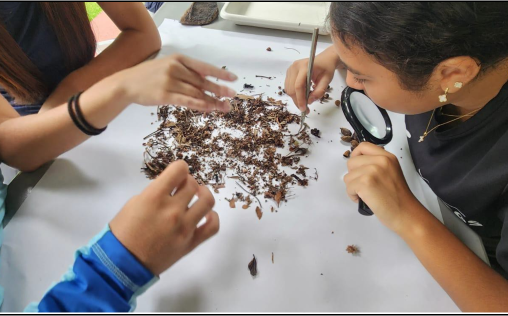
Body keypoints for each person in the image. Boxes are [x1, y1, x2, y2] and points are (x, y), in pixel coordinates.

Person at [285, 2, 508, 313]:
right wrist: (340, 52)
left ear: (452, 74)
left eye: (361, 77)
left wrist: (407, 215)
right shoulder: (453, 61)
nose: (350, 81)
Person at [0, 2, 160, 115]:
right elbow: (19, 151)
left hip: (88, 90)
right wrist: (48, 119)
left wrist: (68, 91)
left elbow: (142, 34)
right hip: (30, 127)